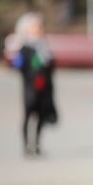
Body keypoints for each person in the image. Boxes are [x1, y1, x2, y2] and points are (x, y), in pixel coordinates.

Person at [12, 12, 58, 157]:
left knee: (41, 116)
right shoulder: (25, 48)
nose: (39, 29)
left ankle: (36, 144)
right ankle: (26, 146)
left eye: (39, 27)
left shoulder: (45, 48)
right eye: (35, 27)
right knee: (28, 115)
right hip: (30, 87)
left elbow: (51, 68)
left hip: (44, 88)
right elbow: (19, 66)